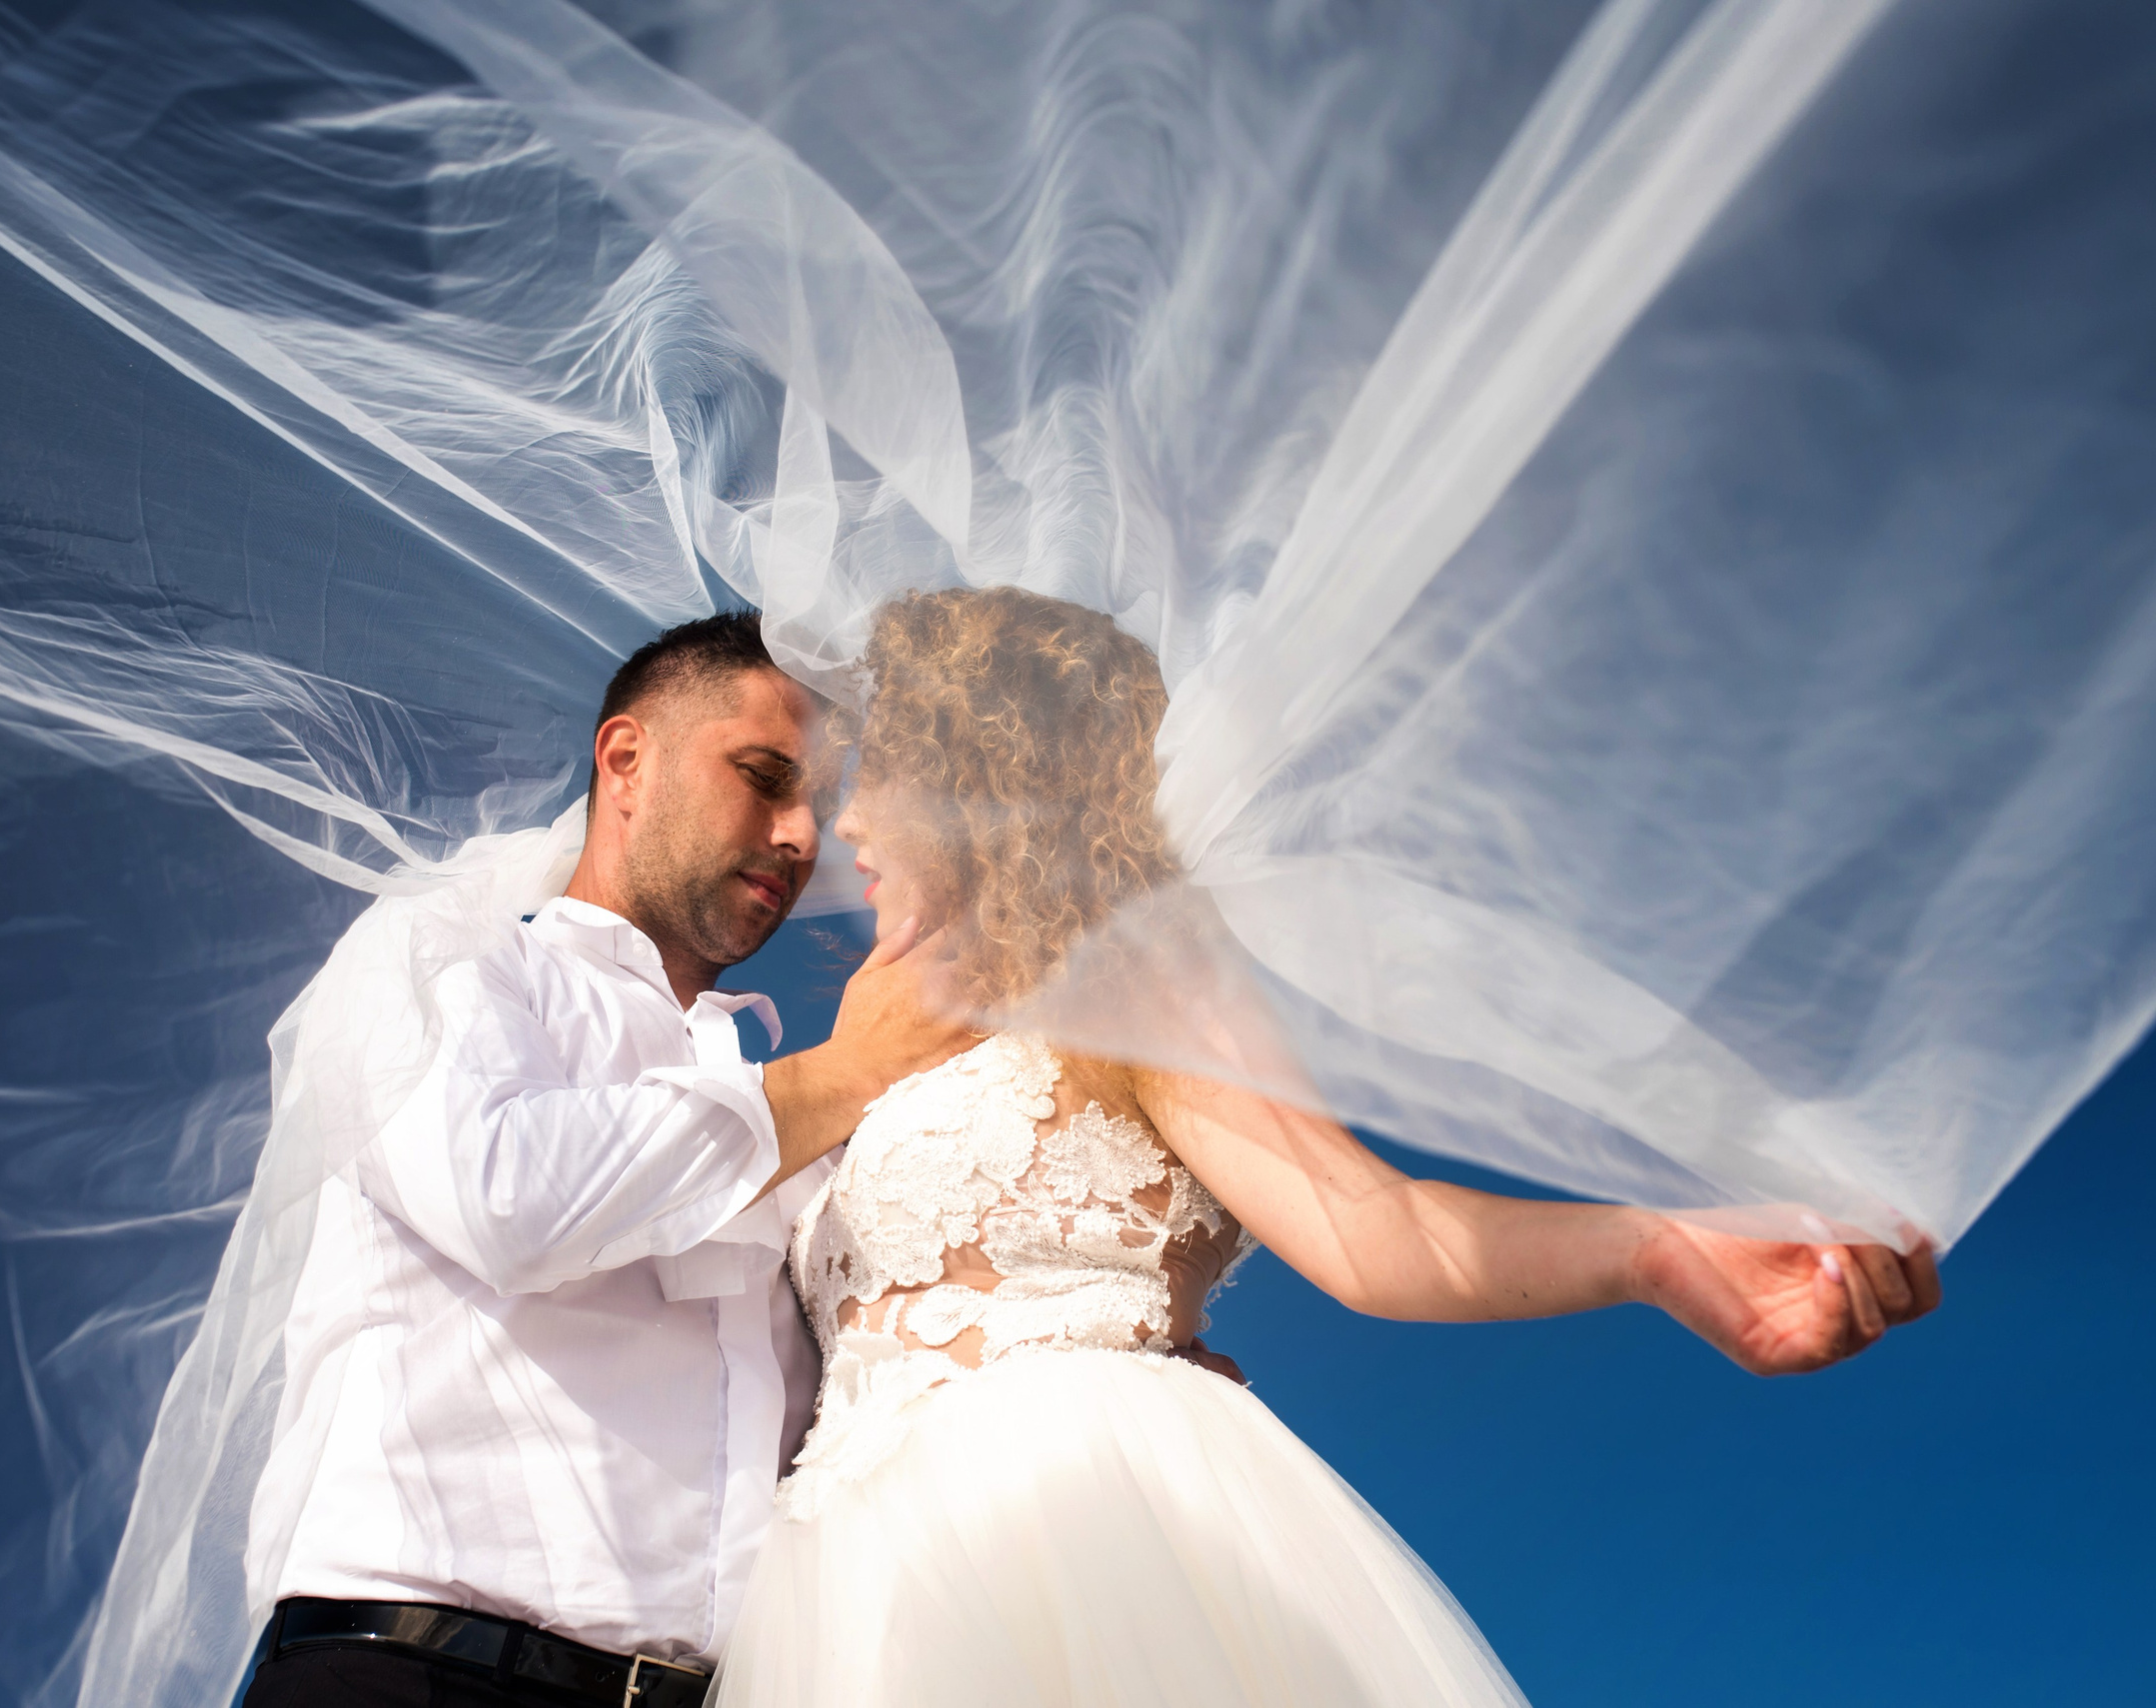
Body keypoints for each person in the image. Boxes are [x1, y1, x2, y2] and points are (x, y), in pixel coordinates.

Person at [707, 587, 1944, 1707]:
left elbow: (1369, 1225)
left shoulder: (1129, 963)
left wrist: (1657, 1250)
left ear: (985, 778)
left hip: (1070, 1520)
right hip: (847, 1571)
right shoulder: (875, 1036)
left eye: (886, 769)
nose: (846, 817)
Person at [235, 611, 973, 1708]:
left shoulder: (770, 1110)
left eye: (816, 800)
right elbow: (508, 1199)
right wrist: (839, 1074)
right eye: (766, 775)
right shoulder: (440, 957)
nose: (801, 834)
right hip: (416, 1671)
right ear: (626, 759)